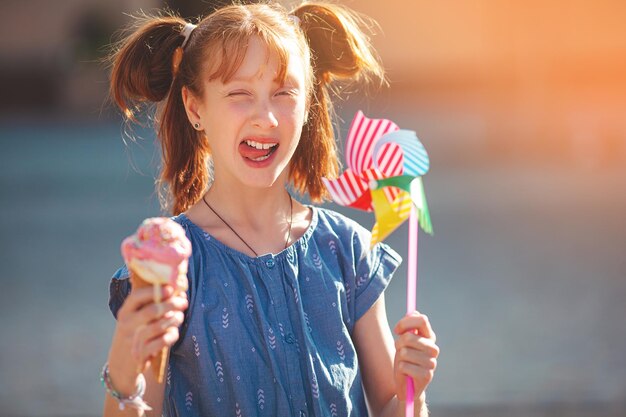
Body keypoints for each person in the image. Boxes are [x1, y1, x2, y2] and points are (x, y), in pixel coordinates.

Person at [104, 2, 439, 416]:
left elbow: (393, 403)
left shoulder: (347, 250)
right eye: (239, 94)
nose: (265, 117)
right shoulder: (173, 266)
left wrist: (414, 393)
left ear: (308, 100)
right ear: (195, 108)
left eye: (283, 93)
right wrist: (123, 366)